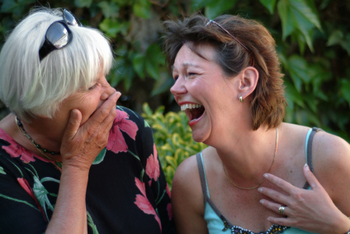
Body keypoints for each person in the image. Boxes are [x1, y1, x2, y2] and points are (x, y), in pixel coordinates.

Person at [164, 13, 350, 233]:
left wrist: (339, 226)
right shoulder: (192, 183)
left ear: (245, 82)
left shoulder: (329, 157)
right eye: (176, 76)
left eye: (191, 73)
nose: (175, 89)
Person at [0, 7, 174, 233]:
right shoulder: (6, 168)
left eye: (105, 77)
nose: (112, 93)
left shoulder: (127, 129)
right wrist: (77, 165)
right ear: (40, 102)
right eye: (92, 86)